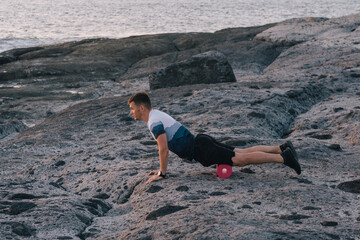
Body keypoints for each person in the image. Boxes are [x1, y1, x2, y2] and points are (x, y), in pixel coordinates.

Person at [128, 91, 301, 184]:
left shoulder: (153, 122)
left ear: (142, 108)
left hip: (203, 150)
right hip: (202, 142)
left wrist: (162, 174)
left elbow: (163, 149)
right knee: (241, 152)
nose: (131, 112)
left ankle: (283, 158)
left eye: (133, 108)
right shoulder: (156, 115)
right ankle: (281, 148)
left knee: (241, 159)